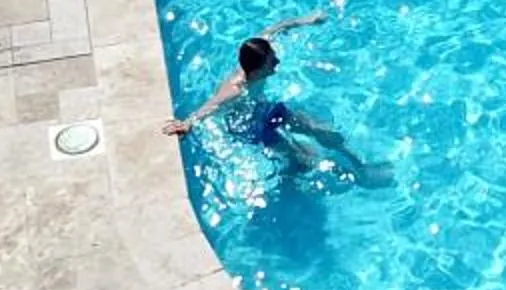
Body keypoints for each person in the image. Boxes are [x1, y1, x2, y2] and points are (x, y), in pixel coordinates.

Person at [163, 13, 384, 183]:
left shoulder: (259, 52)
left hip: (265, 109)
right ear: (258, 70)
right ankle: (306, 178)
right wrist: (187, 123)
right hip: (250, 127)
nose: (277, 62)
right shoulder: (235, 90)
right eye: (272, 61)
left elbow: (276, 28)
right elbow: (211, 106)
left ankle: (360, 165)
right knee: (305, 159)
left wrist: (306, 20)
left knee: (318, 129)